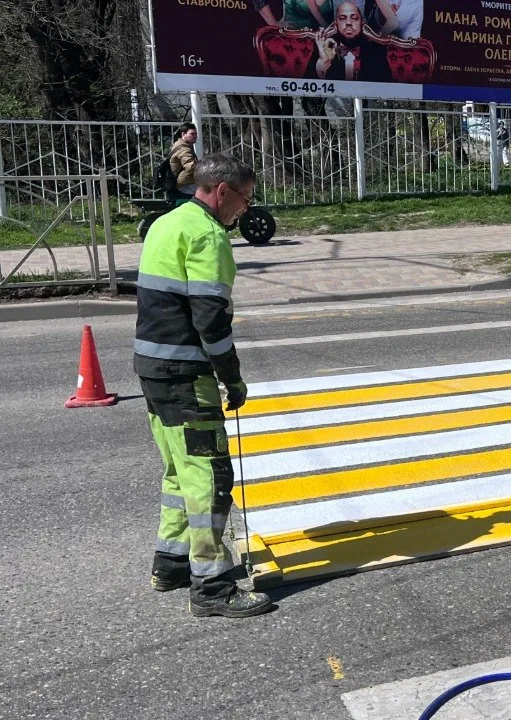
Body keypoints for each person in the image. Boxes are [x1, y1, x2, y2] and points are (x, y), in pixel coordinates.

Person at [135, 153, 274, 618]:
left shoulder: (166, 223)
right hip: (184, 373)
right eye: (245, 199)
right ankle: (212, 586)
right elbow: (211, 321)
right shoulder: (207, 235)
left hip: (152, 368)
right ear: (222, 191)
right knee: (211, 478)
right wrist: (232, 378)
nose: (245, 210)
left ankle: (171, 564)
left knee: (180, 472)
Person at [309, 1, 392, 81]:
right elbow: (309, 85)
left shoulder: (376, 50)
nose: (348, 22)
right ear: (336, 24)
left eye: (354, 18)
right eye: (342, 18)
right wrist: (324, 62)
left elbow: (386, 87)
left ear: (362, 23)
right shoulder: (325, 48)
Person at [168, 124, 199, 201]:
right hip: (185, 184)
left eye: (196, 134)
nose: (195, 136)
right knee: (208, 193)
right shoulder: (184, 149)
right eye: (192, 134)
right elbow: (191, 167)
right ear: (183, 134)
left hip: (184, 182)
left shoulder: (180, 145)